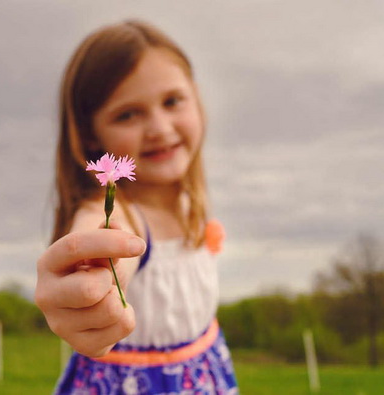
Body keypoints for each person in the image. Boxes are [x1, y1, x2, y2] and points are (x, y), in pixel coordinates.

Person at [35, 19, 238, 394]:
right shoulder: (118, 210)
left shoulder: (188, 203)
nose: (159, 127)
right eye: (128, 114)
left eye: (172, 101)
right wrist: (86, 281)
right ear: (92, 134)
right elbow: (103, 239)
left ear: (197, 97)